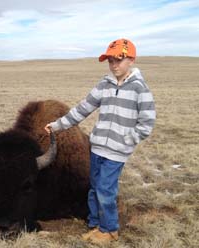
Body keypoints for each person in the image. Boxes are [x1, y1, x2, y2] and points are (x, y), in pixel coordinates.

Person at [44, 38, 156, 244]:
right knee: (94, 187)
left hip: (116, 152)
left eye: (119, 60)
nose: (114, 65)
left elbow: (147, 122)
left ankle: (109, 229)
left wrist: (128, 140)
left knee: (106, 189)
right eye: (110, 61)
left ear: (131, 59)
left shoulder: (140, 88)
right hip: (97, 148)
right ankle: (95, 224)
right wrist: (57, 125)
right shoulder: (104, 84)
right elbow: (83, 108)